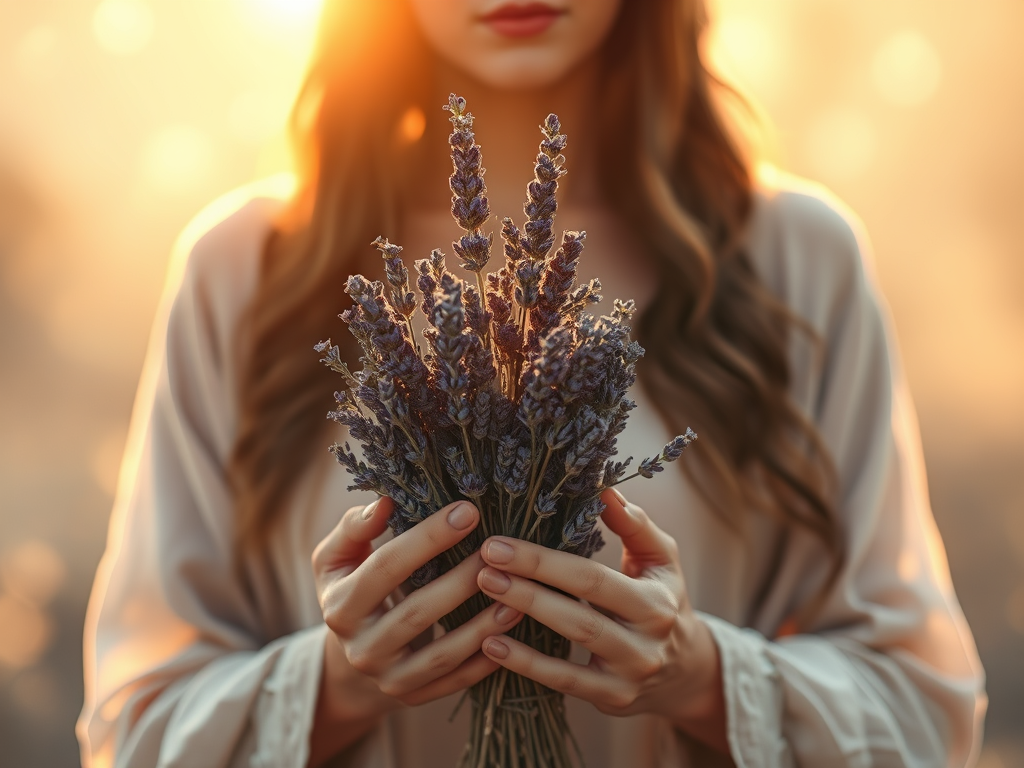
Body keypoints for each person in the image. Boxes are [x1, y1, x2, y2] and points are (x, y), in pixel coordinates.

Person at [77, 1, 986, 766]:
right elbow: (135, 725)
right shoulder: (246, 272)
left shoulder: (792, 263)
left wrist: (702, 676)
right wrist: (335, 685)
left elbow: (923, 711)